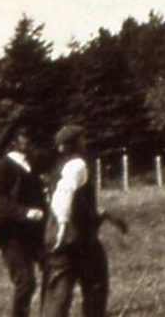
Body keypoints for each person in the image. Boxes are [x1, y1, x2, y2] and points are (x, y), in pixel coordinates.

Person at [0, 121, 47, 317]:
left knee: (54, 267)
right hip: (10, 234)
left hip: (34, 231)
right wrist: (25, 212)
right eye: (24, 137)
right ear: (13, 142)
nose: (30, 141)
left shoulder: (31, 165)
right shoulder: (0, 168)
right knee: (26, 281)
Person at [41, 124, 109, 317]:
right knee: (96, 287)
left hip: (60, 239)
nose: (85, 142)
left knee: (58, 291)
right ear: (77, 143)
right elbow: (64, 193)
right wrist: (63, 224)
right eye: (82, 139)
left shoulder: (58, 167)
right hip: (78, 239)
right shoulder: (77, 165)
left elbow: (65, 199)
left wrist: (102, 214)